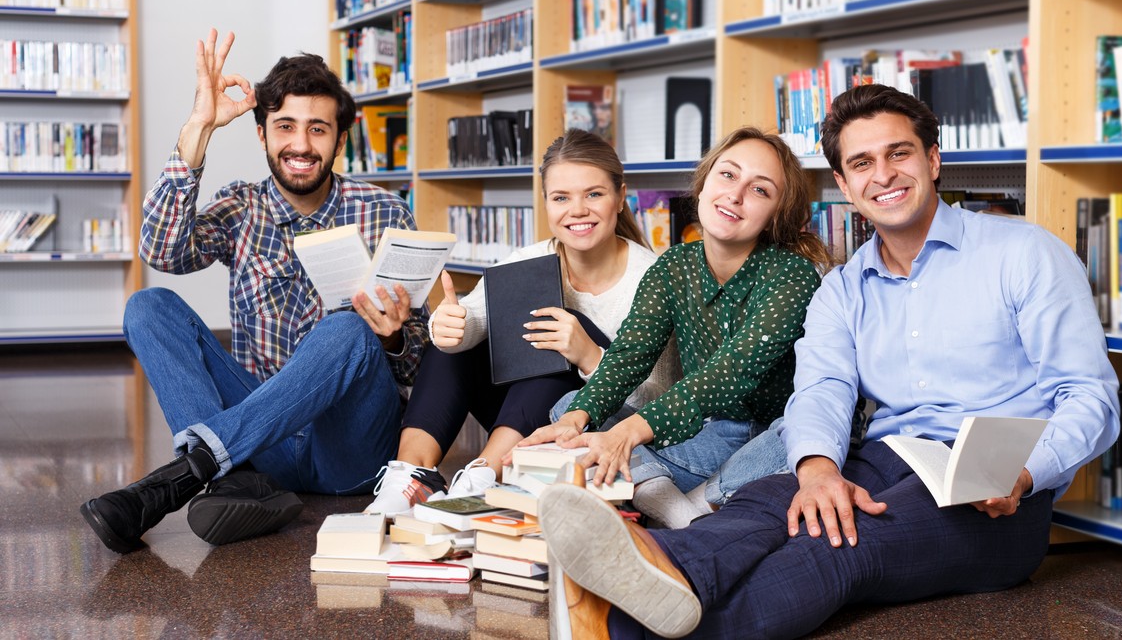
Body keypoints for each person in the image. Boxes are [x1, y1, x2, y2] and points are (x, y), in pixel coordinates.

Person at [537, 83, 1121, 639]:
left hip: (994, 494)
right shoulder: (843, 287)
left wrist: (1024, 469)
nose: (884, 174)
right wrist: (817, 470)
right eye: (862, 163)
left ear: (933, 160)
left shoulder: (1024, 253)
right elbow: (822, 389)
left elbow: (1091, 397)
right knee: (766, 506)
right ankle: (625, 579)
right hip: (887, 457)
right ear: (844, 183)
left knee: (836, 545)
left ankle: (613, 628)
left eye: (900, 154)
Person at [79, 29, 427, 553]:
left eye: (318, 129)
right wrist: (199, 127)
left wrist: (395, 338)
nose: (302, 145)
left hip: (349, 452)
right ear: (262, 134)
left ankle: (191, 471)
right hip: (267, 447)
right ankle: (232, 478)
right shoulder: (241, 206)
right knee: (148, 306)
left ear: (340, 138)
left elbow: (422, 372)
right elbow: (161, 251)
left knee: (348, 328)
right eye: (285, 127)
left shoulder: (387, 213)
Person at [521, 126, 833, 530]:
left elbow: (729, 375)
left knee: (802, 433)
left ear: (776, 212)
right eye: (727, 175)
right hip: (698, 434)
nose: (735, 195)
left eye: (760, 190)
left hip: (763, 438)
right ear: (702, 186)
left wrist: (630, 433)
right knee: (569, 406)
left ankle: (679, 509)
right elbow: (628, 357)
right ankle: (681, 509)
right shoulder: (672, 266)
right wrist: (577, 418)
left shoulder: (792, 276)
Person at [365, 129, 678, 515]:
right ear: (546, 203)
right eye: (561, 197)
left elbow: (662, 406)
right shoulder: (528, 260)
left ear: (619, 198)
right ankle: (412, 478)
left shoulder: (657, 279)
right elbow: (476, 318)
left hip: (606, 431)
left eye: (593, 194)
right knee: (460, 343)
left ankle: (485, 476)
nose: (577, 210)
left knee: (564, 322)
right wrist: (449, 326)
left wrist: (589, 356)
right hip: (527, 422)